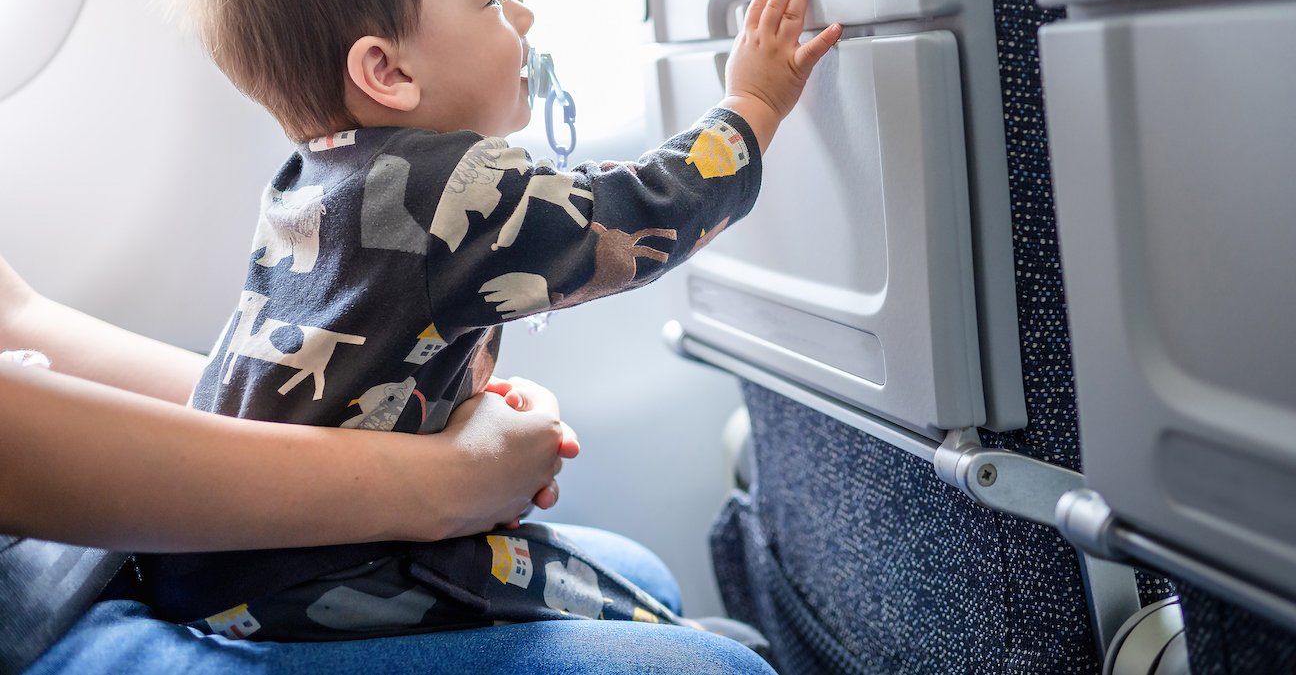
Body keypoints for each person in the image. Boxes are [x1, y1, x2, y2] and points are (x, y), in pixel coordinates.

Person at [144, 0, 840, 644]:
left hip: (225, 560)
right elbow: (638, 216)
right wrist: (753, 104)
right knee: (697, 637)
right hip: (330, 574)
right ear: (388, 70)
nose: (524, 19)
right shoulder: (451, 189)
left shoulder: (312, 175)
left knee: (644, 602)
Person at [0, 256, 776, 674]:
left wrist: (393, 424)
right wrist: (448, 482)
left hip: (102, 553)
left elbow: (18, 323)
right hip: (32, 630)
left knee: (638, 573)